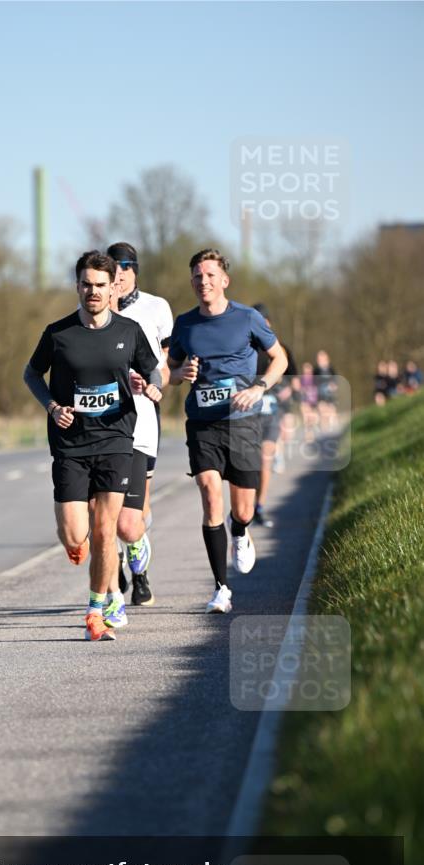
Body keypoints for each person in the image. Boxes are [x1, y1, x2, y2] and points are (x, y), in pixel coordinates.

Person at [23, 250, 162, 641]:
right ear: (77, 286)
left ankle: (97, 610)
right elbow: (31, 373)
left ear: (112, 286)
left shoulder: (129, 331)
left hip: (116, 440)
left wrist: (150, 386)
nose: (93, 292)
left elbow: (152, 369)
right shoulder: (58, 333)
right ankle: (84, 555)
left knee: (105, 530)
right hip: (70, 444)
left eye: (101, 285)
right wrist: (52, 406)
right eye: (86, 284)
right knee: (74, 535)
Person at [167, 249, 287, 614]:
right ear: (192, 282)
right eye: (197, 276)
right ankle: (221, 587)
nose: (203, 281)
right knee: (209, 493)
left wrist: (259, 387)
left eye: (209, 275)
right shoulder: (185, 324)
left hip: (242, 422)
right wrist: (180, 373)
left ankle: (240, 531)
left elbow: (280, 358)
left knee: (244, 509)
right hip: (202, 423)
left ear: (224, 280)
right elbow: (169, 373)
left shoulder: (248, 318)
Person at [100, 241, 173, 622]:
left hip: (143, 417)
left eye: (126, 266)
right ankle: (113, 577)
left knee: (134, 516)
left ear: (135, 270)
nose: (120, 273)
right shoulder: (94, 313)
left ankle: (138, 564)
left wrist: (156, 384)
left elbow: (164, 366)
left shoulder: (156, 308)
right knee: (104, 511)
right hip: (103, 425)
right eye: (113, 267)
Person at [252, 303, 299, 528]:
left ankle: (259, 506)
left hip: (272, 410)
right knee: (248, 463)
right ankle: (245, 507)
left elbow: (293, 377)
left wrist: (287, 390)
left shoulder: (280, 348)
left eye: (263, 321)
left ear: (268, 322)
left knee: (265, 457)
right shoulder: (244, 347)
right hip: (248, 411)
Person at [313, 350, 339, 433]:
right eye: (319, 359)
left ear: (327, 359)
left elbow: (335, 381)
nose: (320, 360)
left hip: (330, 396)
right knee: (323, 415)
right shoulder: (316, 370)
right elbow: (314, 383)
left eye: (322, 358)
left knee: (332, 414)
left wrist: (333, 385)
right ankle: (324, 434)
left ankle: (336, 433)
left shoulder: (331, 369)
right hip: (320, 396)